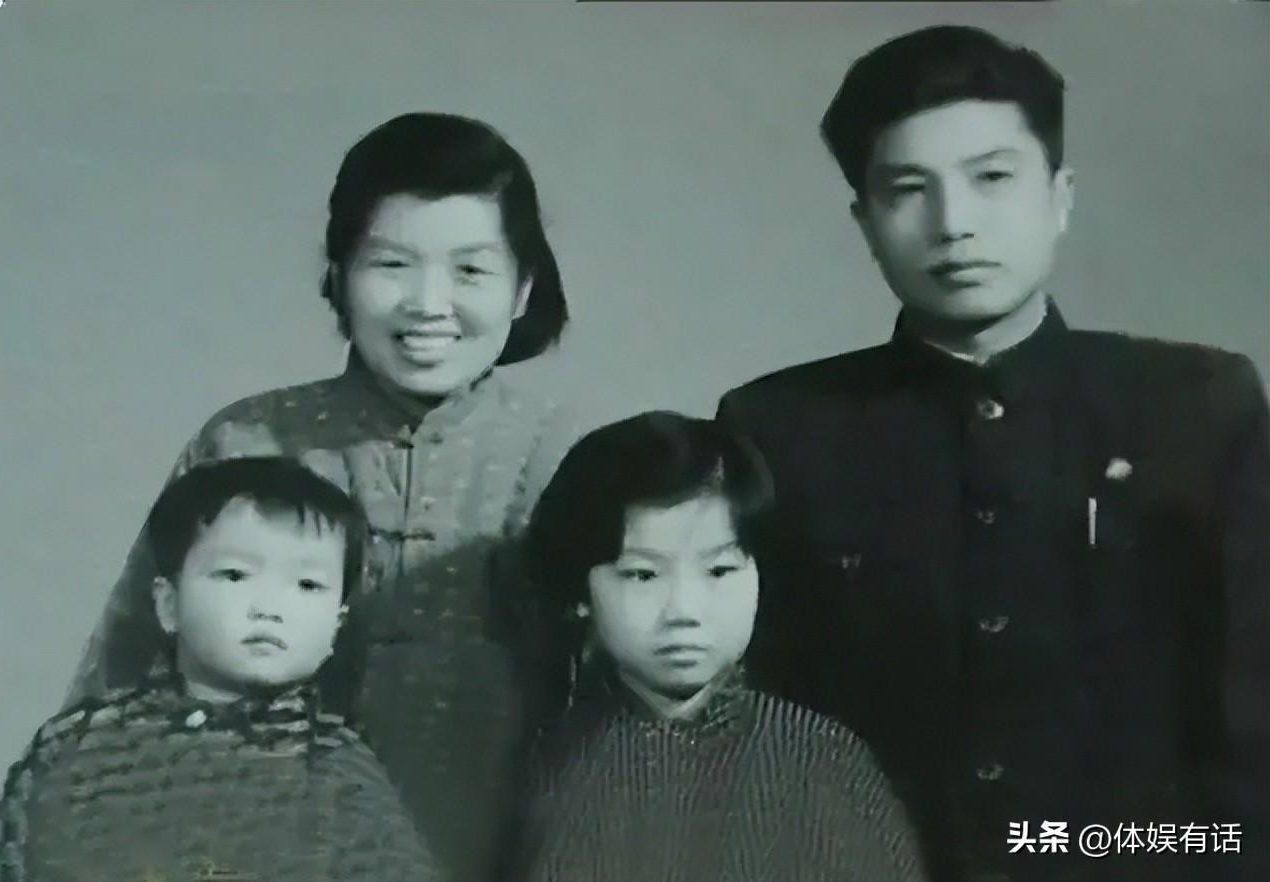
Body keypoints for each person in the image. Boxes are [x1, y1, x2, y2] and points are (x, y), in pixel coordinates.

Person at [717, 25, 1270, 882]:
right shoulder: (778, 427)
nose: (954, 224)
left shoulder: (1198, 406)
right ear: (866, 223)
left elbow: (1254, 738)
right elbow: (754, 731)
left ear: (1060, 196)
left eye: (992, 178)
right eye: (908, 190)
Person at [63, 112, 577, 882]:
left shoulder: (568, 459)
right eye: (391, 265)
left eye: (470, 271)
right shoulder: (246, 443)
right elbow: (125, 679)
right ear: (338, 275)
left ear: (522, 289)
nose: (428, 304)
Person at [503, 412, 924, 882]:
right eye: (642, 575)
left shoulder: (820, 759)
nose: (685, 610)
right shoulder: (535, 758)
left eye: (720, 571)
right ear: (578, 592)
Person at [0, 457, 441, 882]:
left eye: (307, 584)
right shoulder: (77, 744)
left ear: (336, 625)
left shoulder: (339, 773)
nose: (270, 607)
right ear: (169, 603)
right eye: (235, 575)